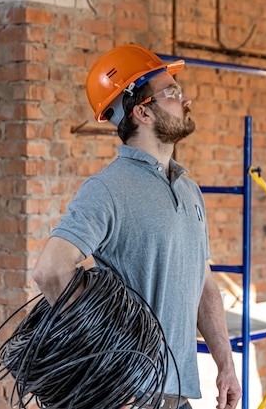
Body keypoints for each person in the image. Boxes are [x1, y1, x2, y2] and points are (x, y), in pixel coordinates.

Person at [33, 44, 242, 409]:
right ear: (142, 112)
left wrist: (225, 365)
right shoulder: (108, 188)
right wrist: (113, 366)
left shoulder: (190, 190)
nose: (186, 99)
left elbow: (204, 283)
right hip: (130, 397)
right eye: (172, 93)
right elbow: (51, 271)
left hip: (176, 393)